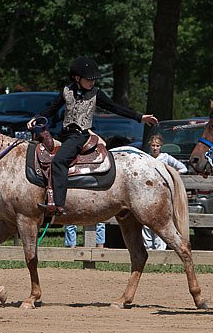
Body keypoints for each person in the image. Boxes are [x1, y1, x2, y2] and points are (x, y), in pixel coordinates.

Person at [27, 56, 158, 216]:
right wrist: (36, 118)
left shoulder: (97, 94)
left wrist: (140, 117)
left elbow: (115, 107)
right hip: (63, 135)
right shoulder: (66, 91)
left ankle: (58, 205)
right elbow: (52, 109)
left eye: (94, 79)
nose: (92, 82)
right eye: (89, 79)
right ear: (77, 78)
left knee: (59, 161)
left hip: (79, 136)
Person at [142, 134, 187, 250]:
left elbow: (183, 168)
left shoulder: (165, 157)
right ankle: (148, 249)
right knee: (146, 223)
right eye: (153, 145)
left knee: (160, 222)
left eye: (157, 145)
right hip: (148, 192)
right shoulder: (146, 158)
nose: (155, 148)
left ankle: (160, 251)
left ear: (161, 146)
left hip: (162, 192)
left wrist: (172, 174)